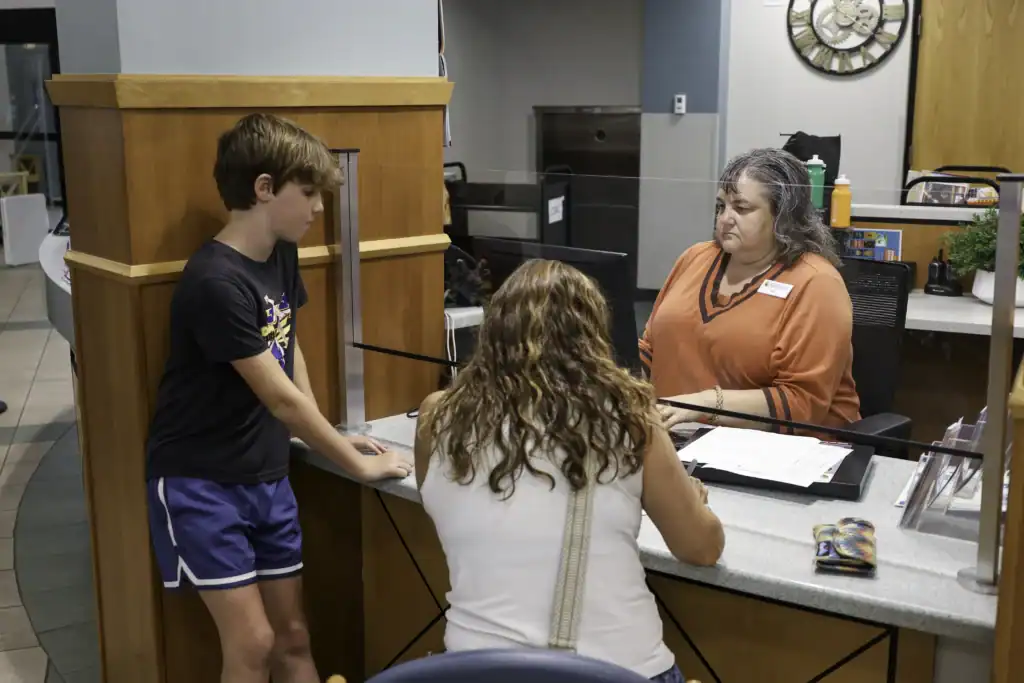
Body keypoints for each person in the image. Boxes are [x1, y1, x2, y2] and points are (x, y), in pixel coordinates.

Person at [145, 113, 412, 683]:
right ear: (264, 189)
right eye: (309, 192)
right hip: (201, 482)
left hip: (266, 476)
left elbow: (288, 350)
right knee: (254, 643)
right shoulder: (215, 281)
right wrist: (356, 465)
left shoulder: (281, 254)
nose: (319, 208)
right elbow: (279, 399)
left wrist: (323, 430)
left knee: (292, 637)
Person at [414, 259, 725, 682]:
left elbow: (463, 519)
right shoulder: (628, 419)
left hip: (471, 670)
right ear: (592, 336)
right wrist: (688, 499)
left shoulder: (437, 417)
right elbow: (701, 548)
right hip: (615, 673)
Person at [641, 148, 860, 433]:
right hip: (675, 436)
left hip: (780, 452)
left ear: (782, 216)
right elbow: (648, 352)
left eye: (741, 208)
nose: (725, 219)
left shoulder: (816, 282)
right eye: (721, 207)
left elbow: (802, 403)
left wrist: (699, 406)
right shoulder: (695, 258)